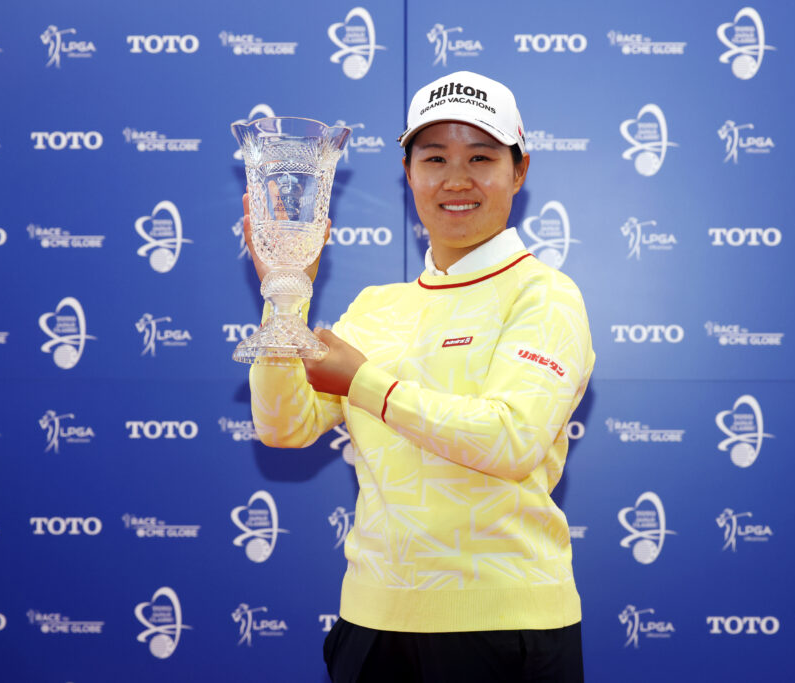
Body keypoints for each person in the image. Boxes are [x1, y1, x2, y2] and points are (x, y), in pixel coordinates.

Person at [245, 71, 595, 682]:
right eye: (434, 158)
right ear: (408, 173)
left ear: (519, 170)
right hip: (373, 628)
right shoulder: (376, 307)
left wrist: (364, 382)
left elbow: (510, 440)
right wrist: (284, 292)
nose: (456, 180)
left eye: (480, 157)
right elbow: (285, 427)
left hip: (505, 631)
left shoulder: (545, 296)